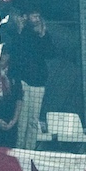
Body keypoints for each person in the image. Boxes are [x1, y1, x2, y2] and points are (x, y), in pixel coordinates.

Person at [7, 9, 54, 150]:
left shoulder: (41, 34)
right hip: (23, 81)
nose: (37, 19)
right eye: (34, 16)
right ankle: (19, 148)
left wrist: (43, 35)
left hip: (38, 82)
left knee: (33, 120)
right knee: (22, 119)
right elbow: (17, 52)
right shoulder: (20, 32)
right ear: (26, 16)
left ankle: (30, 149)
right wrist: (20, 30)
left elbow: (51, 53)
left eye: (38, 16)